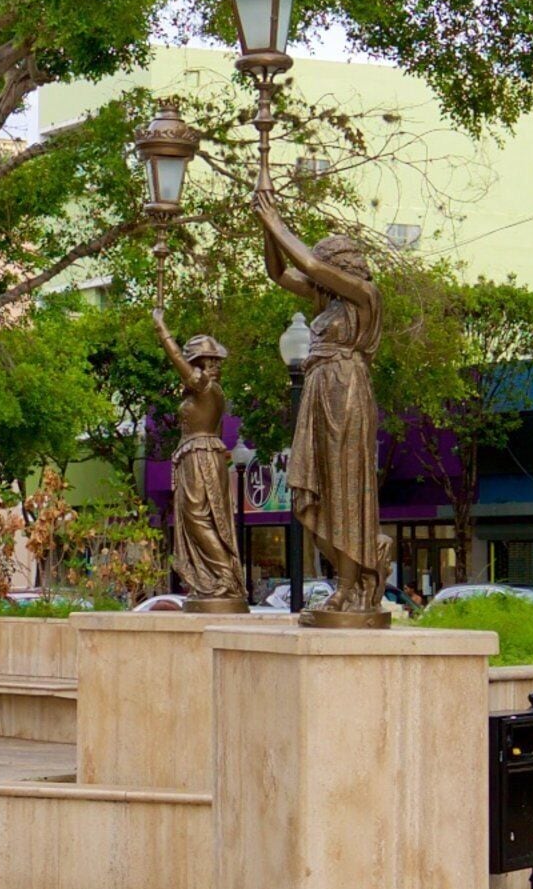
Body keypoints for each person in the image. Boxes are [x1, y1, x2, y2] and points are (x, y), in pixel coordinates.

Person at [257, 178, 387, 625]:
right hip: (319, 391)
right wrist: (265, 226)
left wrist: (277, 221)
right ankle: (343, 581)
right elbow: (278, 273)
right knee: (319, 487)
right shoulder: (326, 301)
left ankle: (352, 585)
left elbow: (307, 262)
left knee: (346, 487)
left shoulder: (364, 296)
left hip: (346, 390)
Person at [152, 314, 242, 613]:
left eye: (213, 361)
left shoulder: (206, 387)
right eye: (209, 360)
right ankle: (216, 576)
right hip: (199, 454)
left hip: (200, 456)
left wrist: (162, 330)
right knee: (200, 518)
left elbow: (178, 361)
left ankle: (223, 576)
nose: (214, 365)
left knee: (198, 516)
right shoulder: (206, 391)